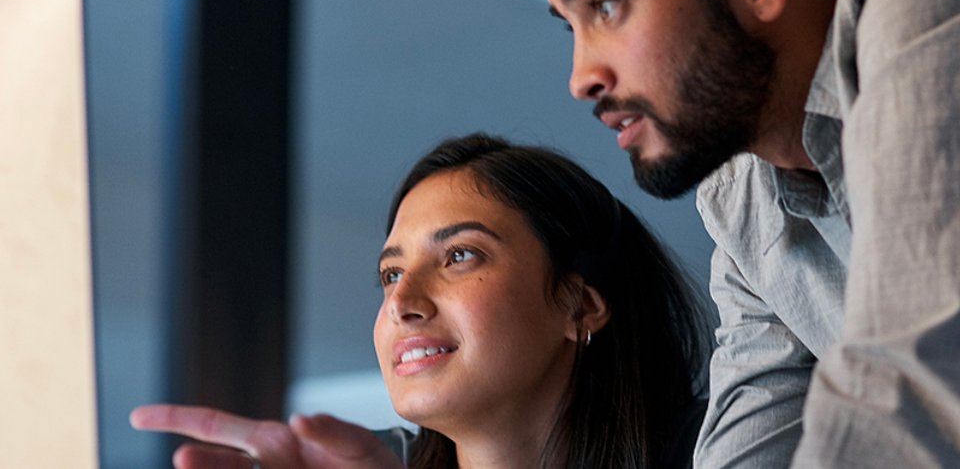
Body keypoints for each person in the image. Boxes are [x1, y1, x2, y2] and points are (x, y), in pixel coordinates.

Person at [533, 0, 960, 467]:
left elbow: (912, 392)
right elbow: (750, 446)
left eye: (606, 7)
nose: (581, 78)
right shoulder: (741, 198)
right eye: (570, 25)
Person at [132, 133, 713, 468]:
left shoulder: (729, 452)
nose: (402, 302)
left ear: (579, 304)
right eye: (389, 274)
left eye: (460, 256)